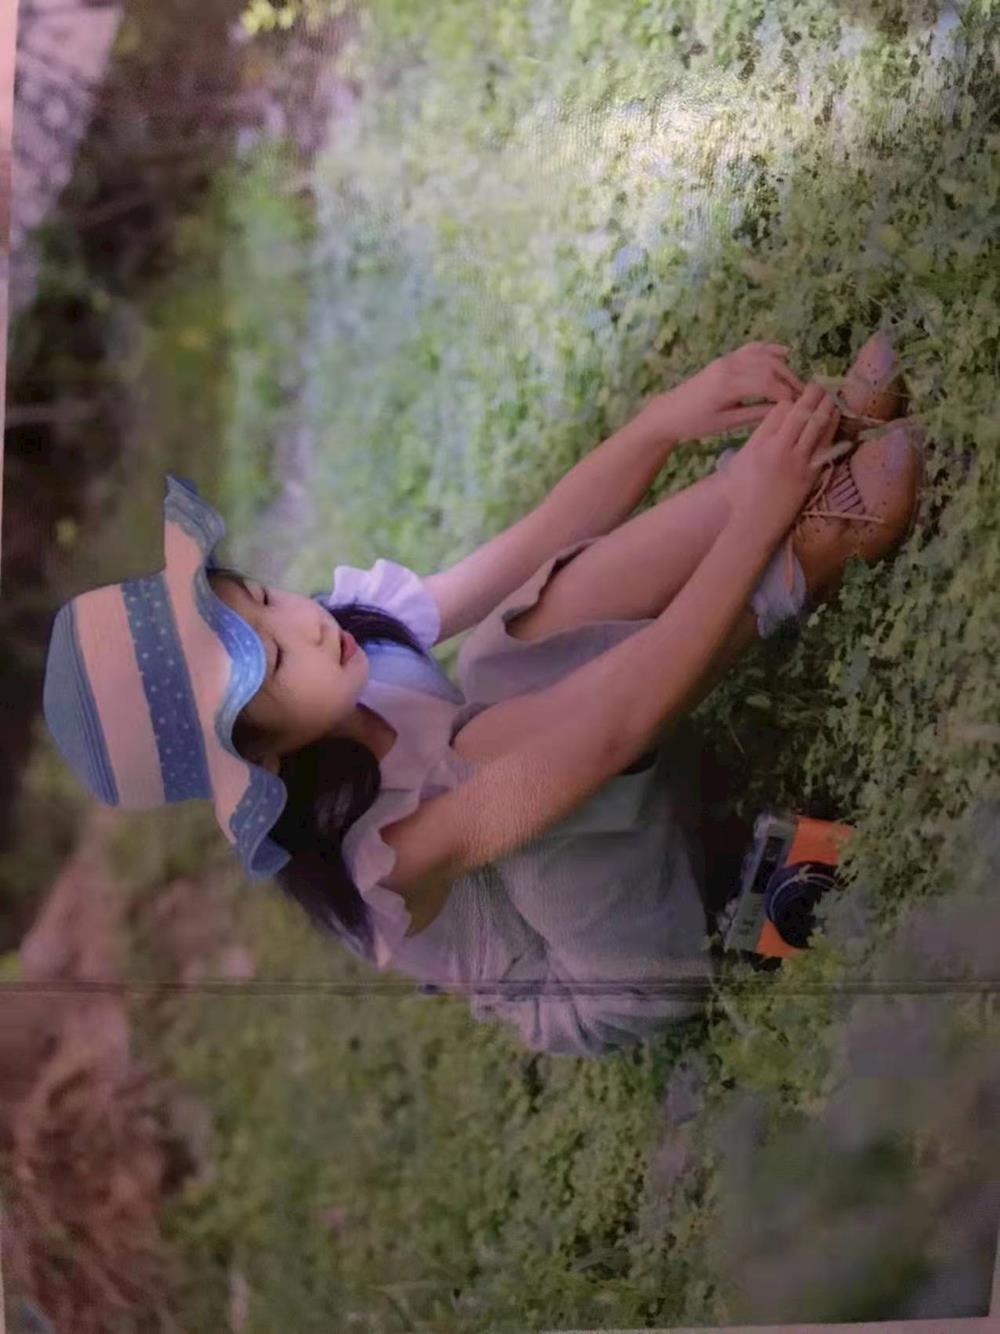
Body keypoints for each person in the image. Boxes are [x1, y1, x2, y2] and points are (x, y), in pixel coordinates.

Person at [42, 338, 923, 1057]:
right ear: (260, 757)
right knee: (486, 749)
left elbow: (541, 540)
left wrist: (668, 420)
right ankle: (808, 554)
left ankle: (797, 464)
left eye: (265, 599)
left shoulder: (348, 637)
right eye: (271, 663)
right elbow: (607, 737)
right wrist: (755, 536)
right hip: (613, 968)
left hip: (593, 809)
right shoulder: (379, 854)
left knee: (506, 639)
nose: (304, 625)